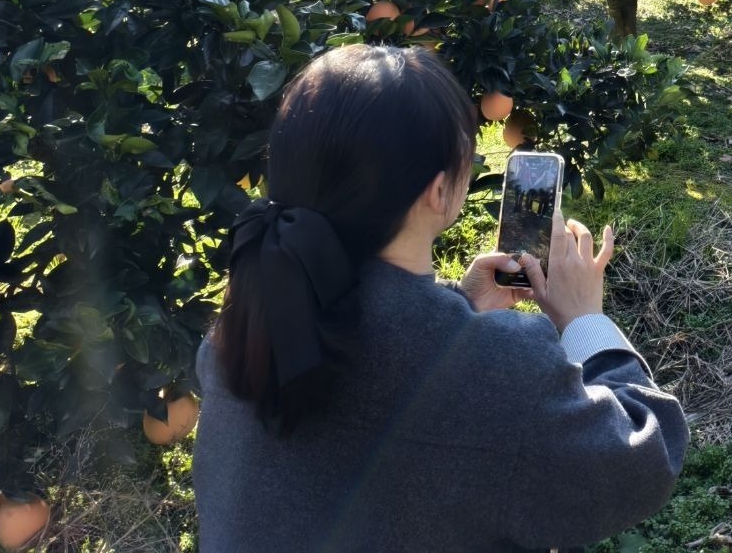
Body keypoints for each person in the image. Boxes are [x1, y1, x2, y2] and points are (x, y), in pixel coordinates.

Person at [194, 44, 687, 553]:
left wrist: (460, 310)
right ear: (437, 191)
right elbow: (642, 460)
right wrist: (585, 319)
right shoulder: (500, 371)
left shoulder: (242, 330)